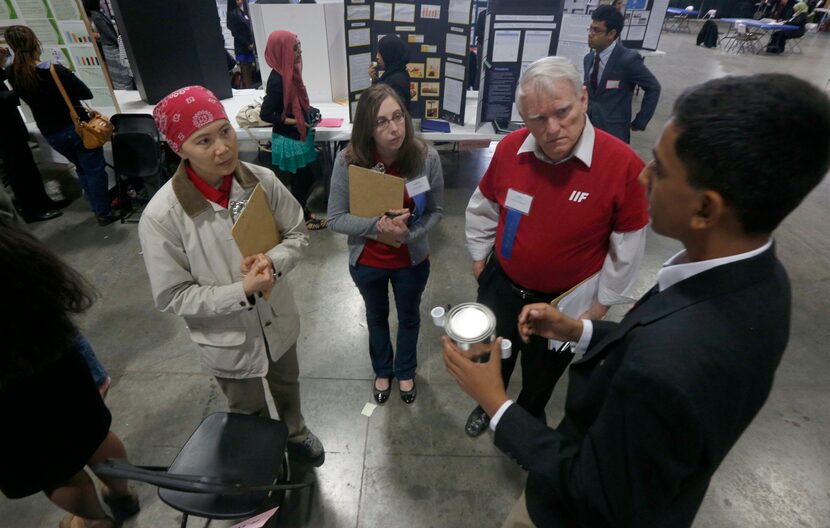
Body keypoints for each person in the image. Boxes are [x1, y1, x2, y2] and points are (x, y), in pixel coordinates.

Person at [443, 73, 830, 528]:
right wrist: (582, 330)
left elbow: (599, 494)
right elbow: (648, 341)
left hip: (568, 512)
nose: (642, 174)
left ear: (705, 209)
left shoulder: (675, 364)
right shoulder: (752, 282)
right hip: (519, 296)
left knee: (537, 379)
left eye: (660, 169)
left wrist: (498, 405)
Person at [139, 85, 325, 467]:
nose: (222, 148)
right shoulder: (162, 218)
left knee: (287, 383)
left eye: (225, 132)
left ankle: (295, 432)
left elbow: (297, 233)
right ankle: (262, 460)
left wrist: (272, 263)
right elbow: (173, 295)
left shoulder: (261, 180)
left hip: (277, 318)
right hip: (226, 337)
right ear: (179, 149)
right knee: (246, 407)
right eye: (203, 141)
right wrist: (241, 291)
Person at [462, 56, 648, 437]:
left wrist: (600, 304)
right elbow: (484, 207)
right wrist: (480, 259)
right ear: (522, 117)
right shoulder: (510, 149)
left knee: (543, 372)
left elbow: (627, 246)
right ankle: (489, 405)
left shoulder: (622, 165)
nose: (552, 129)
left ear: (583, 98)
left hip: (564, 303)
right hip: (503, 285)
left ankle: (528, 419)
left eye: (562, 112)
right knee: (492, 354)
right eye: (536, 119)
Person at [0, 217, 140, 528]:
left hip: (6, 393)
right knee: (94, 437)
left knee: (56, 469)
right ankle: (122, 493)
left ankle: (95, 523)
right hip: (50, 352)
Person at [328, 84, 443, 404]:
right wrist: (376, 225)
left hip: (411, 260)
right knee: (376, 315)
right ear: (367, 127)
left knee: (409, 316)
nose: (394, 128)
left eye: (398, 117)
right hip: (368, 262)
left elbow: (437, 211)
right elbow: (335, 218)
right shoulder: (348, 161)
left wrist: (410, 234)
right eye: (382, 122)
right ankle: (383, 369)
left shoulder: (425, 157)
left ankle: (405, 370)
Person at [4, 26, 117, 226]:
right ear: (35, 44)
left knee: (82, 168)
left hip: (51, 132)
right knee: (94, 170)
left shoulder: (13, 73)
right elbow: (86, 93)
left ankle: (95, 205)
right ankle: (104, 213)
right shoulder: (54, 70)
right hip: (77, 128)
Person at [260, 30, 326, 230]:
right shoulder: (277, 80)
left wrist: (308, 113)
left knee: (308, 178)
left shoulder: (289, 72)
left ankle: (302, 215)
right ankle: (302, 220)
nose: (300, 51)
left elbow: (293, 103)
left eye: (299, 46)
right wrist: (294, 121)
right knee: (301, 182)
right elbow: (266, 114)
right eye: (295, 48)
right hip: (290, 139)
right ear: (282, 51)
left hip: (300, 135)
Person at [0, 47, 64, 222]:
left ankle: (43, 202)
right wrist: (20, 91)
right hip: (5, 135)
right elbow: (6, 97)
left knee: (29, 168)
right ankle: (31, 210)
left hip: (13, 132)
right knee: (18, 173)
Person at [583, 5, 660, 143]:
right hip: (588, 130)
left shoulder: (627, 60)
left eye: (596, 30)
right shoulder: (588, 59)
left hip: (614, 132)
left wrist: (641, 121)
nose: (590, 34)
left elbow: (653, 87)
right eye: (590, 28)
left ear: (611, 34)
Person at [81, 0, 132, 89]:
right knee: (122, 74)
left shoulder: (92, 15)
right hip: (112, 48)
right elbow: (110, 34)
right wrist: (120, 43)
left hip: (107, 49)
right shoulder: (97, 16)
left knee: (117, 75)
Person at [368, 35, 412, 111]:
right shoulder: (393, 73)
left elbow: (382, 108)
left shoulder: (397, 81)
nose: (377, 57)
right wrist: (374, 80)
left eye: (380, 53)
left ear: (389, 54)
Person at [226, 0, 256, 88]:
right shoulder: (232, 14)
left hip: (249, 47)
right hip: (242, 48)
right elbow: (235, 33)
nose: (241, 1)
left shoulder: (242, 12)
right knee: (246, 72)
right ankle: (248, 91)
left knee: (251, 72)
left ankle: (250, 89)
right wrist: (247, 44)